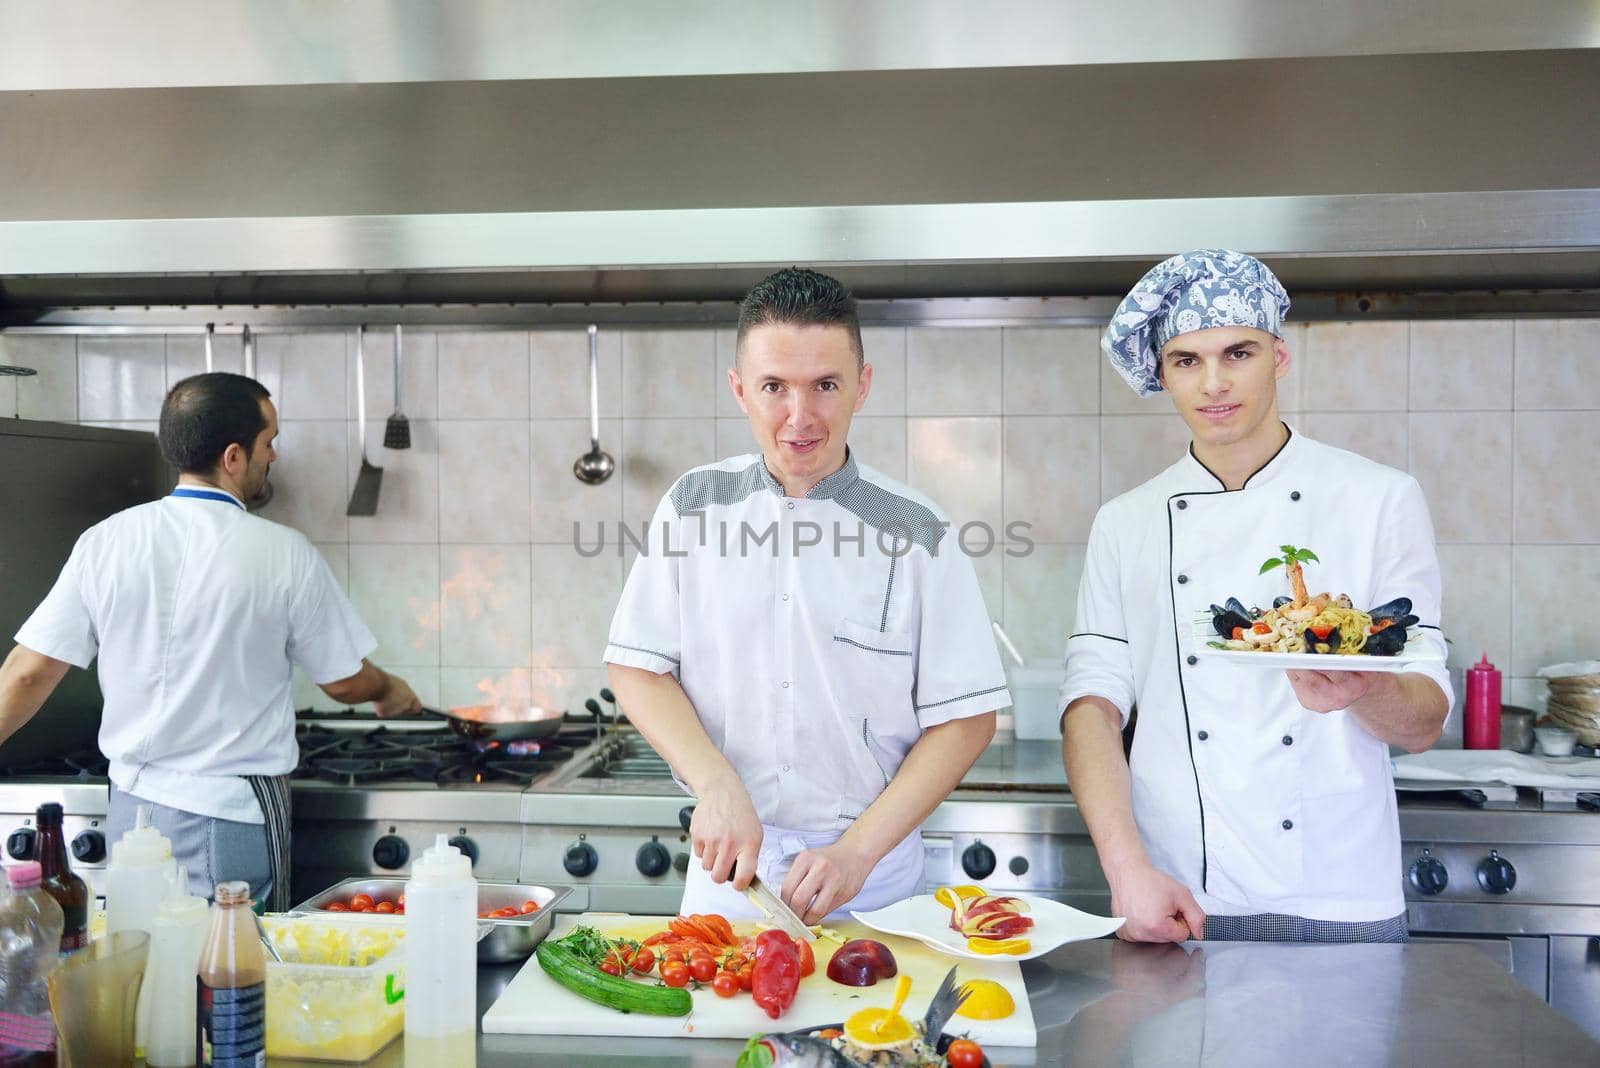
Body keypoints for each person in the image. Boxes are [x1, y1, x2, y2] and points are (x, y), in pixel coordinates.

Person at [1060, 250, 1450, 943]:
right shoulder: (1126, 521)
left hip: (1341, 892)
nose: (1213, 384)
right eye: (1186, 361)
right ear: (1161, 374)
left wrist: (1360, 685)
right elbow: (1092, 704)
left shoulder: (1380, 498)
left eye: (1236, 353)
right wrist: (1126, 870)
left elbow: (1423, 723)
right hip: (1177, 890)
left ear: (1278, 355)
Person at [604, 267, 1009, 923]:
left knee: (876, 1028)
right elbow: (636, 667)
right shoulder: (691, 507)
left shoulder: (916, 529)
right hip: (731, 880)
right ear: (740, 391)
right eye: (774, 388)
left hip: (872, 885)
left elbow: (965, 720)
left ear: (862, 385)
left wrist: (856, 852)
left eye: (825, 385)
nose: (800, 417)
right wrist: (714, 783)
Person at [0, 372, 420, 908]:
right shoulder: (283, 552)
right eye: (269, 442)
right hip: (231, 818)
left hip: (133, 814)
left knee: (152, 979)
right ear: (233, 457)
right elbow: (342, 682)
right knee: (232, 980)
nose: (275, 455)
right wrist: (386, 689)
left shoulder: (105, 541)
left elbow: (27, 671)